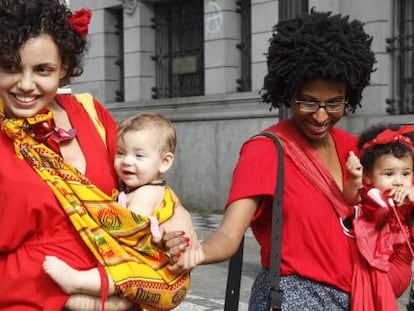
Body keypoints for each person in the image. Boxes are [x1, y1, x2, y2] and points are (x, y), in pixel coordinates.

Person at [175, 10, 413, 311]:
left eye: (334, 102)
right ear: (288, 93)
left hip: (355, 299)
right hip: (293, 299)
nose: (321, 115)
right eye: (308, 101)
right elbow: (228, 235)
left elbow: (386, 214)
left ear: (350, 94)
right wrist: (198, 251)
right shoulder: (265, 151)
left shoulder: (354, 148)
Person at [0, 1, 192, 310]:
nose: (25, 84)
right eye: (10, 67)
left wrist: (179, 219)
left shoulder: (91, 114)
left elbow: (142, 186)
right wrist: (73, 299)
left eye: (42, 70)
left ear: (63, 67)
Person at [42, 112, 194, 311]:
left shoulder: (148, 193)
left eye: (139, 156)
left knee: (124, 272)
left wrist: (88, 214)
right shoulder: (135, 190)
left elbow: (124, 230)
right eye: (121, 153)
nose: (127, 161)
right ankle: (78, 299)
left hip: (161, 276)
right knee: (120, 296)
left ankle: (76, 281)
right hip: (152, 279)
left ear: (164, 162)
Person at [343, 124, 414, 272]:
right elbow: (350, 197)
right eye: (389, 174)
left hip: (400, 263)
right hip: (370, 263)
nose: (399, 181)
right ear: (368, 176)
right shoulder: (371, 196)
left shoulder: (408, 195)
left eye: (405, 173)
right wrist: (355, 178)